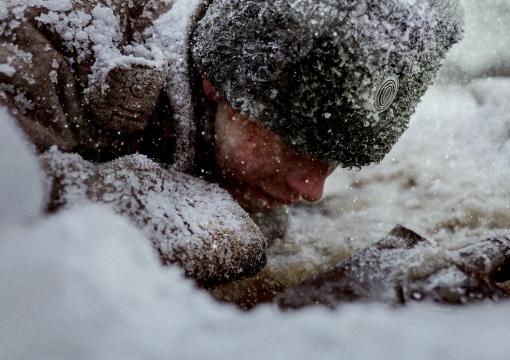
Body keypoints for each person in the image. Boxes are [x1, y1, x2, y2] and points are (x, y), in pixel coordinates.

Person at [0, 0, 462, 286]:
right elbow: (13, 212)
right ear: (218, 84)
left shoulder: (235, 132)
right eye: (300, 149)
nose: (312, 189)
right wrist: (192, 217)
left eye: (335, 161)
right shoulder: (47, 39)